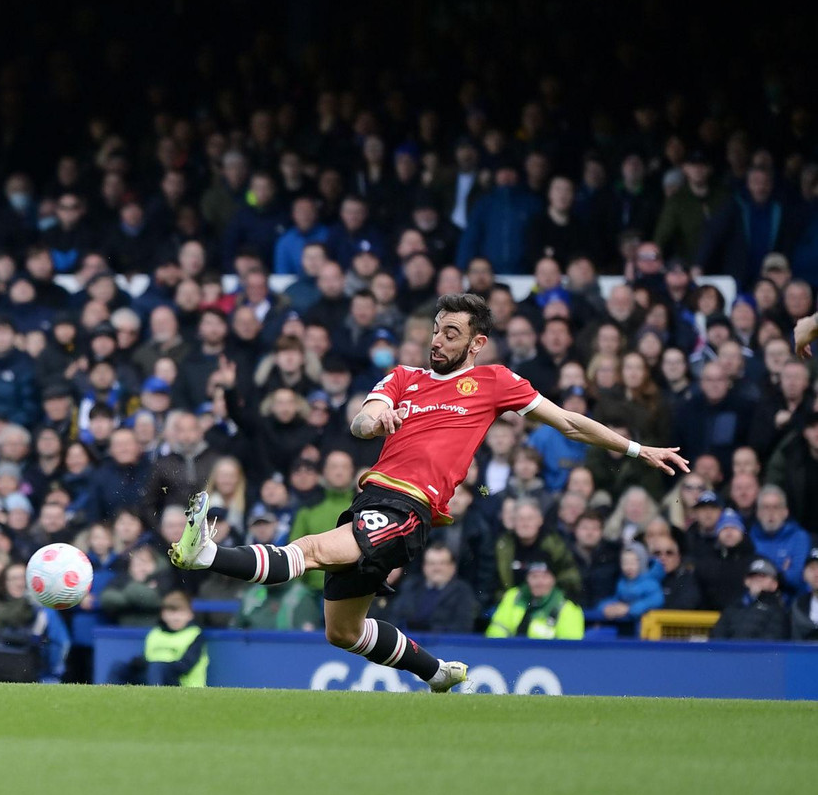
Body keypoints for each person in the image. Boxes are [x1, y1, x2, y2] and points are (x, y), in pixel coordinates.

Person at [169, 293, 687, 692]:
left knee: (311, 549)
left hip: (410, 509)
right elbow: (361, 420)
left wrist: (637, 449)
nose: (437, 341)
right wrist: (377, 420)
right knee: (342, 632)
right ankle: (437, 672)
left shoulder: (494, 382)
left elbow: (569, 422)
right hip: (370, 502)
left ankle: (207, 554)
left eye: (451, 333)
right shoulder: (403, 377)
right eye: (436, 330)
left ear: (476, 344)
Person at [486, 563, 586, 640]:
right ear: (527, 579)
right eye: (534, 577)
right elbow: (497, 631)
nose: (539, 582)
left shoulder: (568, 608)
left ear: (553, 580)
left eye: (544, 577)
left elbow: (569, 649)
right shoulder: (514, 596)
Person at [710, 558, 790, 641]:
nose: (757, 579)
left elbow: (773, 640)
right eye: (753, 576)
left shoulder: (777, 610)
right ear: (746, 581)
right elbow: (717, 636)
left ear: (774, 584)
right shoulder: (733, 607)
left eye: (763, 576)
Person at [141, 590, 208, 687]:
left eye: (181, 613)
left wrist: (159, 666)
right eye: (171, 613)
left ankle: (154, 694)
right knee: (121, 668)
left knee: (156, 668)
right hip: (153, 673)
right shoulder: (155, 633)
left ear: (190, 615)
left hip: (183, 685)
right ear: (163, 615)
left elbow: (185, 666)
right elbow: (145, 658)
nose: (176, 618)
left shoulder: (195, 634)